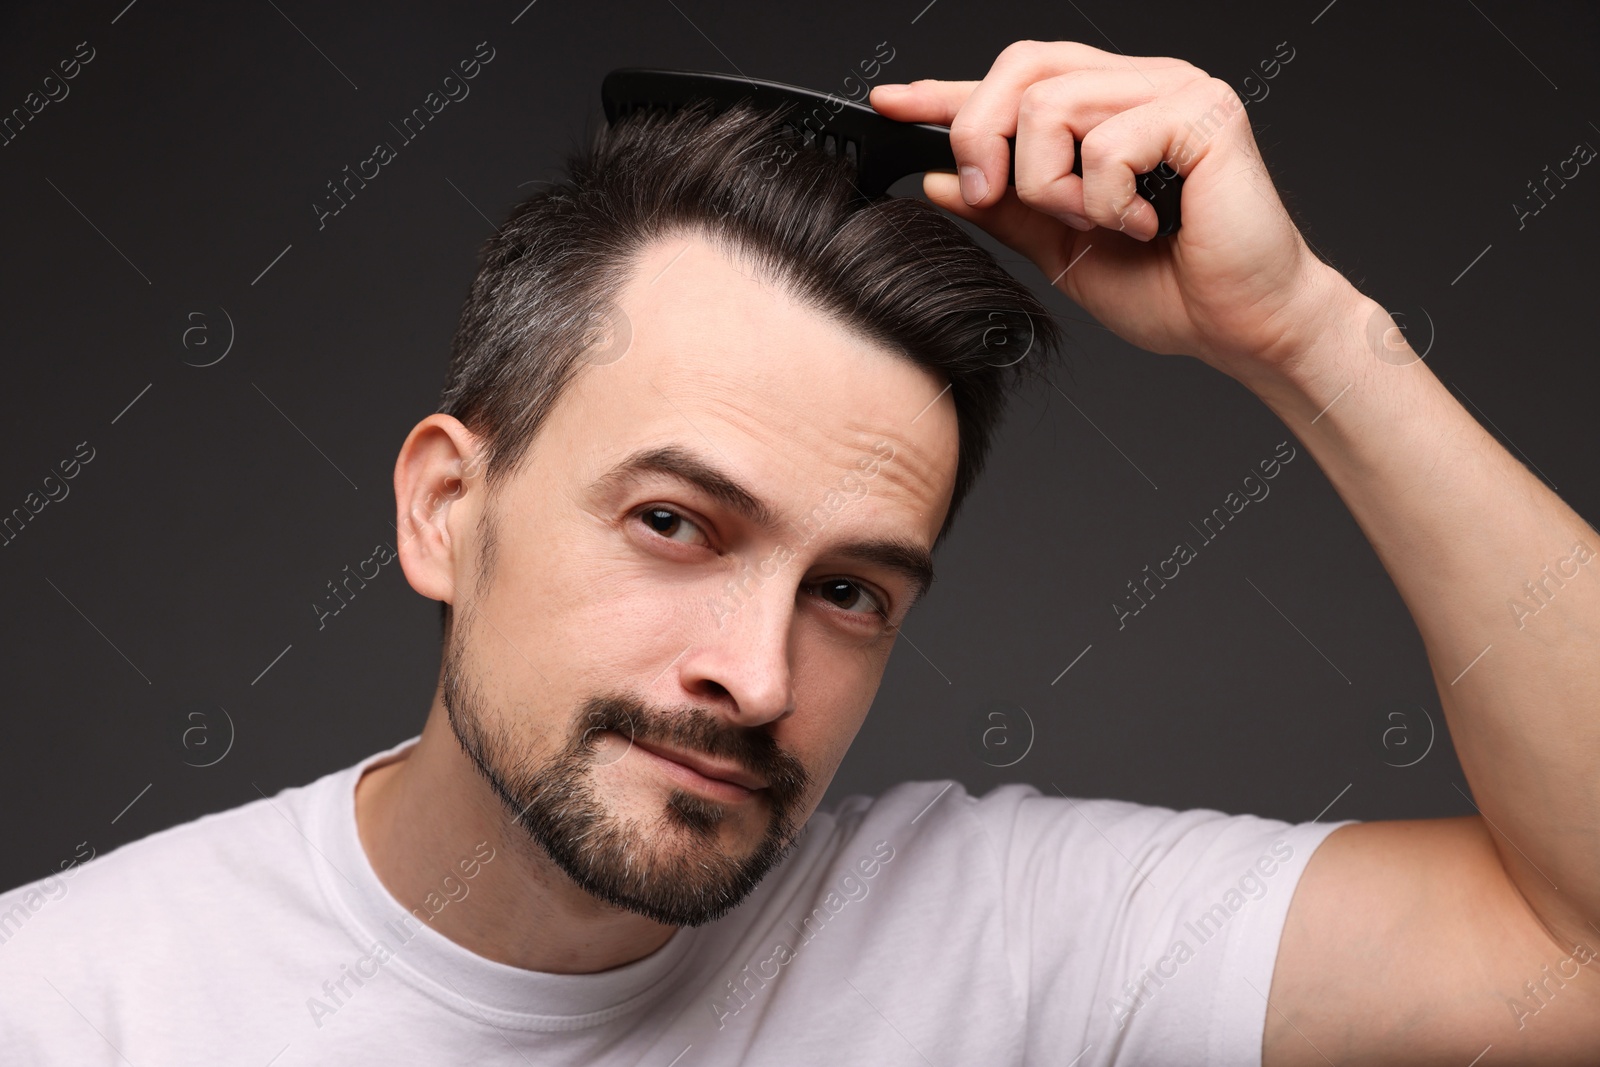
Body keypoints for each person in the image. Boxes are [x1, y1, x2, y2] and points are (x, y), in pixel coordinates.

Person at [2, 39, 1596, 1066]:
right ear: (443, 509)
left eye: (850, 591)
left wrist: (1310, 338)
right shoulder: (70, 1007)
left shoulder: (1003, 941)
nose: (756, 679)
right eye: (676, 524)